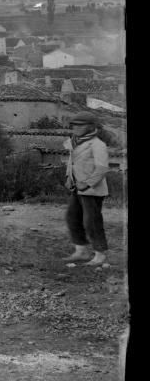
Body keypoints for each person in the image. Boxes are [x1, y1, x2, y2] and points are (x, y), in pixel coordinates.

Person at [62, 112, 111, 266]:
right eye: (74, 125)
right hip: (77, 187)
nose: (76, 128)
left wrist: (88, 183)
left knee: (91, 221)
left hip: (92, 190)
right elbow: (72, 162)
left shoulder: (98, 144)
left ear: (90, 127)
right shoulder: (75, 142)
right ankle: (81, 251)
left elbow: (102, 168)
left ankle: (100, 254)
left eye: (80, 125)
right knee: (72, 217)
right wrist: (69, 178)